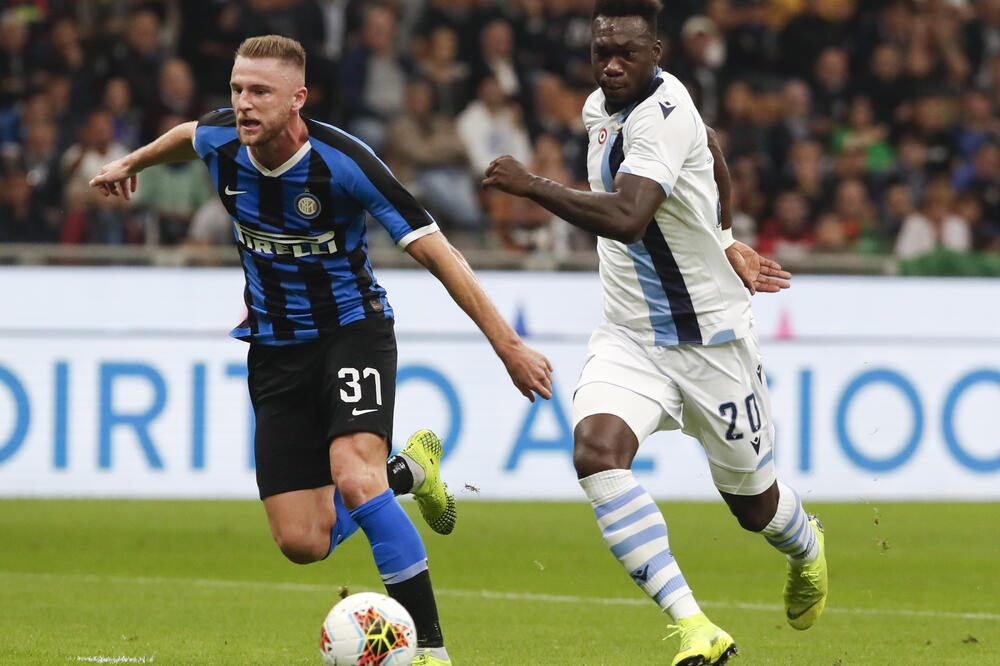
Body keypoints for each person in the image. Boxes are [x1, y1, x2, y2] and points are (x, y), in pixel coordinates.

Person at [90, 35, 553, 666]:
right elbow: (186, 133)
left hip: (349, 334)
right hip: (275, 351)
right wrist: (131, 164)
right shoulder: (222, 139)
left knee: (353, 479)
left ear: (298, 99)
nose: (243, 104)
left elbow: (439, 253)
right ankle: (407, 473)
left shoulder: (344, 162)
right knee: (302, 542)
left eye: (259, 92)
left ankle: (433, 652)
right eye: (236, 90)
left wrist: (509, 346)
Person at [482, 1, 828, 664]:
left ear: (657, 54)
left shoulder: (662, 117)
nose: (611, 64)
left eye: (627, 53)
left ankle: (807, 545)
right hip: (630, 336)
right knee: (595, 452)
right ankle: (693, 624)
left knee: (754, 509)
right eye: (601, 52)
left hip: (711, 344)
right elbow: (717, 153)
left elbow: (629, 216)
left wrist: (532, 186)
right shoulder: (600, 109)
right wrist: (725, 236)